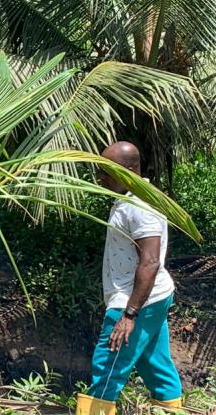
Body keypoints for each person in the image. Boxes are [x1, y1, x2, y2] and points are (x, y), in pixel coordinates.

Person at [76, 142, 183, 415]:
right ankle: (171, 409)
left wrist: (129, 315)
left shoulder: (138, 207)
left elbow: (150, 261)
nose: (100, 178)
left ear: (126, 171)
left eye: (106, 172)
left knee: (108, 365)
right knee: (154, 362)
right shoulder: (131, 199)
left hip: (136, 300)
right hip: (154, 294)